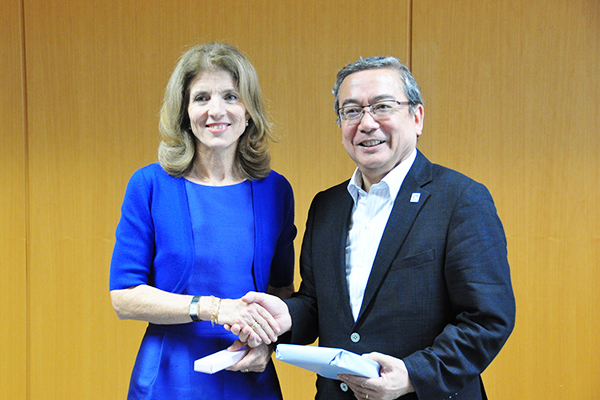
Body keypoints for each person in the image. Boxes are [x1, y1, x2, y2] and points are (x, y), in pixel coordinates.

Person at [234, 56, 516, 399]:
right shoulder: (327, 206)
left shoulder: (460, 198)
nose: (366, 123)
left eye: (383, 106)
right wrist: (288, 316)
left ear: (416, 117)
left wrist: (413, 375)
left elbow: (487, 318)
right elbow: (317, 304)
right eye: (351, 111)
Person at [109, 43, 296, 399]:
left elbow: (281, 291)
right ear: (184, 111)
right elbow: (124, 297)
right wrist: (213, 307)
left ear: (249, 110)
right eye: (201, 98)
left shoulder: (276, 190)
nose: (216, 110)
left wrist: (266, 344)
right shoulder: (150, 185)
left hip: (250, 371)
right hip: (170, 376)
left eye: (230, 96)